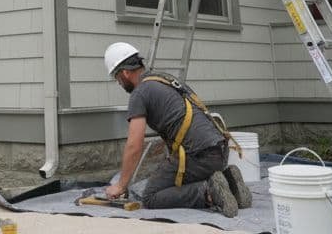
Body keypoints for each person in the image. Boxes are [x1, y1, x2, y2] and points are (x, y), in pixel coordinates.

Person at [102, 42, 250, 216]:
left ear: (125, 73)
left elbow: (134, 144)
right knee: (172, 178)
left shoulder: (139, 93)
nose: (118, 83)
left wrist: (121, 185)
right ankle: (228, 182)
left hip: (198, 156)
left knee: (151, 196)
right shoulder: (164, 79)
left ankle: (208, 193)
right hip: (220, 151)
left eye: (117, 77)